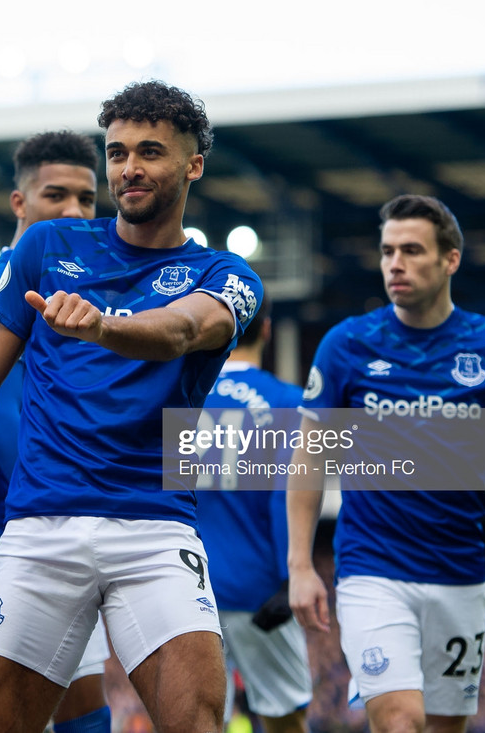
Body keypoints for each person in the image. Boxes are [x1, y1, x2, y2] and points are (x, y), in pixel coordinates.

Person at [0, 80, 264, 733]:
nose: (130, 167)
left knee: (198, 724)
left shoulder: (229, 274)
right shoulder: (48, 249)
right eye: (119, 151)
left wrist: (103, 326)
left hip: (155, 530)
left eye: (151, 151)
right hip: (39, 529)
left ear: (193, 164)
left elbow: (183, 332)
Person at [287, 195, 485, 733]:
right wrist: (300, 565)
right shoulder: (346, 345)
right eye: (388, 251)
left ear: (450, 259)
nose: (396, 263)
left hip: (459, 573)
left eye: (412, 250)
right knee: (399, 721)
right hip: (372, 569)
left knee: (442, 727)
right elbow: (309, 460)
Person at [0, 130, 111, 733]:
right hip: (5, 537)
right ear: (19, 204)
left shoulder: (75, 289)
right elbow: (4, 419)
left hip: (59, 527)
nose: (74, 211)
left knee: (85, 705)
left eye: (86, 198)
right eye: (56, 195)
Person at [193, 296, 312, 733]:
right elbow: (287, 496)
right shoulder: (288, 402)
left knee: (197, 722)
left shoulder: (184, 396)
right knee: (285, 718)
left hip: (188, 588)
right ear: (265, 330)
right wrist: (289, 576)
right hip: (260, 590)